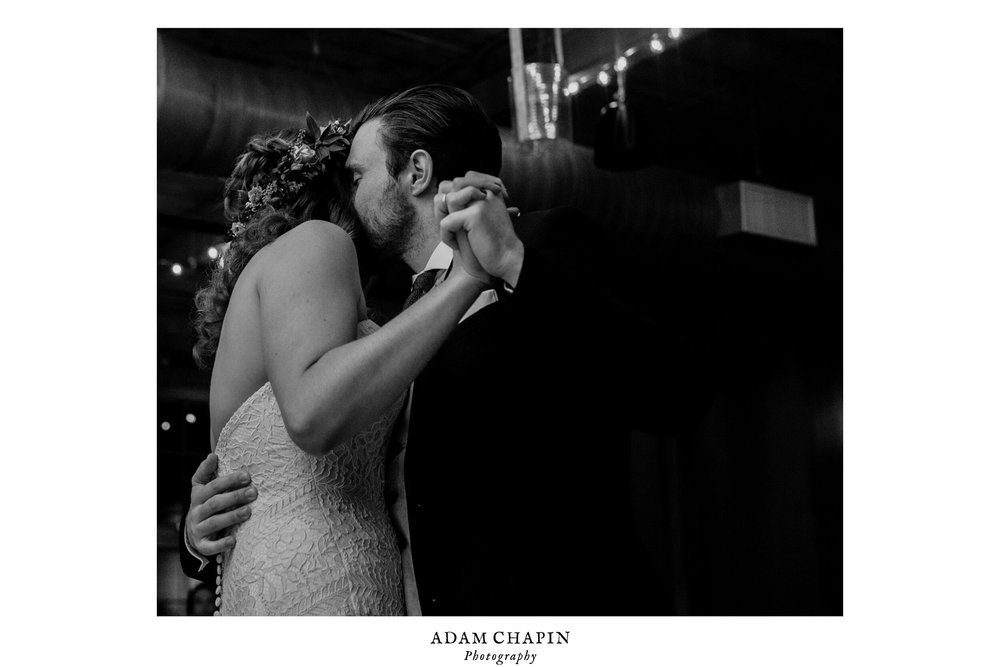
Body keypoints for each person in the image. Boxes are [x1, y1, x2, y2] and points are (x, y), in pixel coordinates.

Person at [182, 85, 709, 615]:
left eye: (359, 177)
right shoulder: (391, 321)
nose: (348, 196)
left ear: (415, 171)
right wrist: (203, 533)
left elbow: (677, 390)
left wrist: (514, 262)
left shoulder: (540, 244)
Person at [186, 115, 492, 615]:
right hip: (328, 577)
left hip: (266, 578)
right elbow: (312, 413)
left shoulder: (275, 291)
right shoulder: (320, 241)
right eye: (354, 178)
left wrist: (194, 537)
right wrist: (468, 279)